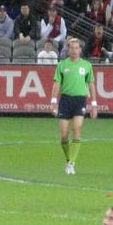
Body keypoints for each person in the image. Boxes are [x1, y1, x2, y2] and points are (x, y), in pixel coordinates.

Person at [49, 37, 98, 176]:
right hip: (65, 100)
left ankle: (72, 163)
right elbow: (57, 83)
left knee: (77, 129)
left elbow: (91, 84)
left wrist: (94, 105)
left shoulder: (87, 66)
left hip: (80, 100)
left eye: (77, 48)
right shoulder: (62, 65)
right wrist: (53, 101)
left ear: (80, 50)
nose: (75, 50)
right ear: (68, 49)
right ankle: (68, 159)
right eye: (72, 48)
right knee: (64, 134)